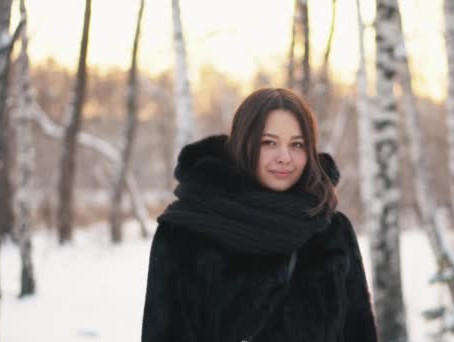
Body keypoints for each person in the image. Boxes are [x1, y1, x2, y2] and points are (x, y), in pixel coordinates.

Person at [141, 88, 377, 342]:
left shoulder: (332, 231)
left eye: (297, 144)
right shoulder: (185, 234)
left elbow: (358, 331)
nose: (284, 157)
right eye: (269, 143)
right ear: (243, 144)